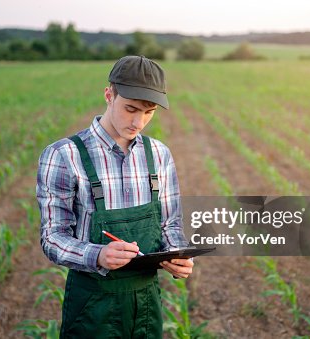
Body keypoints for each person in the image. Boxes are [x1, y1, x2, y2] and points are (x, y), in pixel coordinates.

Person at [36, 55, 193, 338]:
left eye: (149, 112)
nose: (138, 122)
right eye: (130, 108)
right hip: (92, 307)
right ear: (109, 95)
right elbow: (52, 237)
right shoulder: (63, 155)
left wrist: (177, 255)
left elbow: (170, 225)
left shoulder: (159, 154)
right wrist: (97, 255)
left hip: (146, 303)